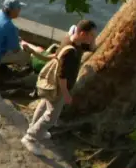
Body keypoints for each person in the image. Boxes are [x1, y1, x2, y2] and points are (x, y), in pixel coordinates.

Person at [21, 19, 98, 156]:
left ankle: (35, 127)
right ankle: (30, 138)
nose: (93, 38)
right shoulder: (70, 52)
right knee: (51, 116)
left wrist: (92, 39)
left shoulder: (72, 41)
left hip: (51, 86)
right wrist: (66, 94)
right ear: (82, 34)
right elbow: (61, 77)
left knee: (44, 105)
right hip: (58, 88)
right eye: (91, 35)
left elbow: (92, 48)